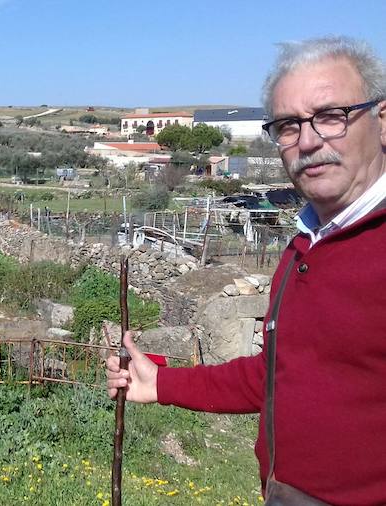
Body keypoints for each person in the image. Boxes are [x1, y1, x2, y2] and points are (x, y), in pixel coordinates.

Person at [107, 36, 386, 505]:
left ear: (381, 122)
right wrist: (162, 383)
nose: (309, 141)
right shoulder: (306, 244)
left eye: (331, 116)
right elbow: (277, 377)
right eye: (289, 126)